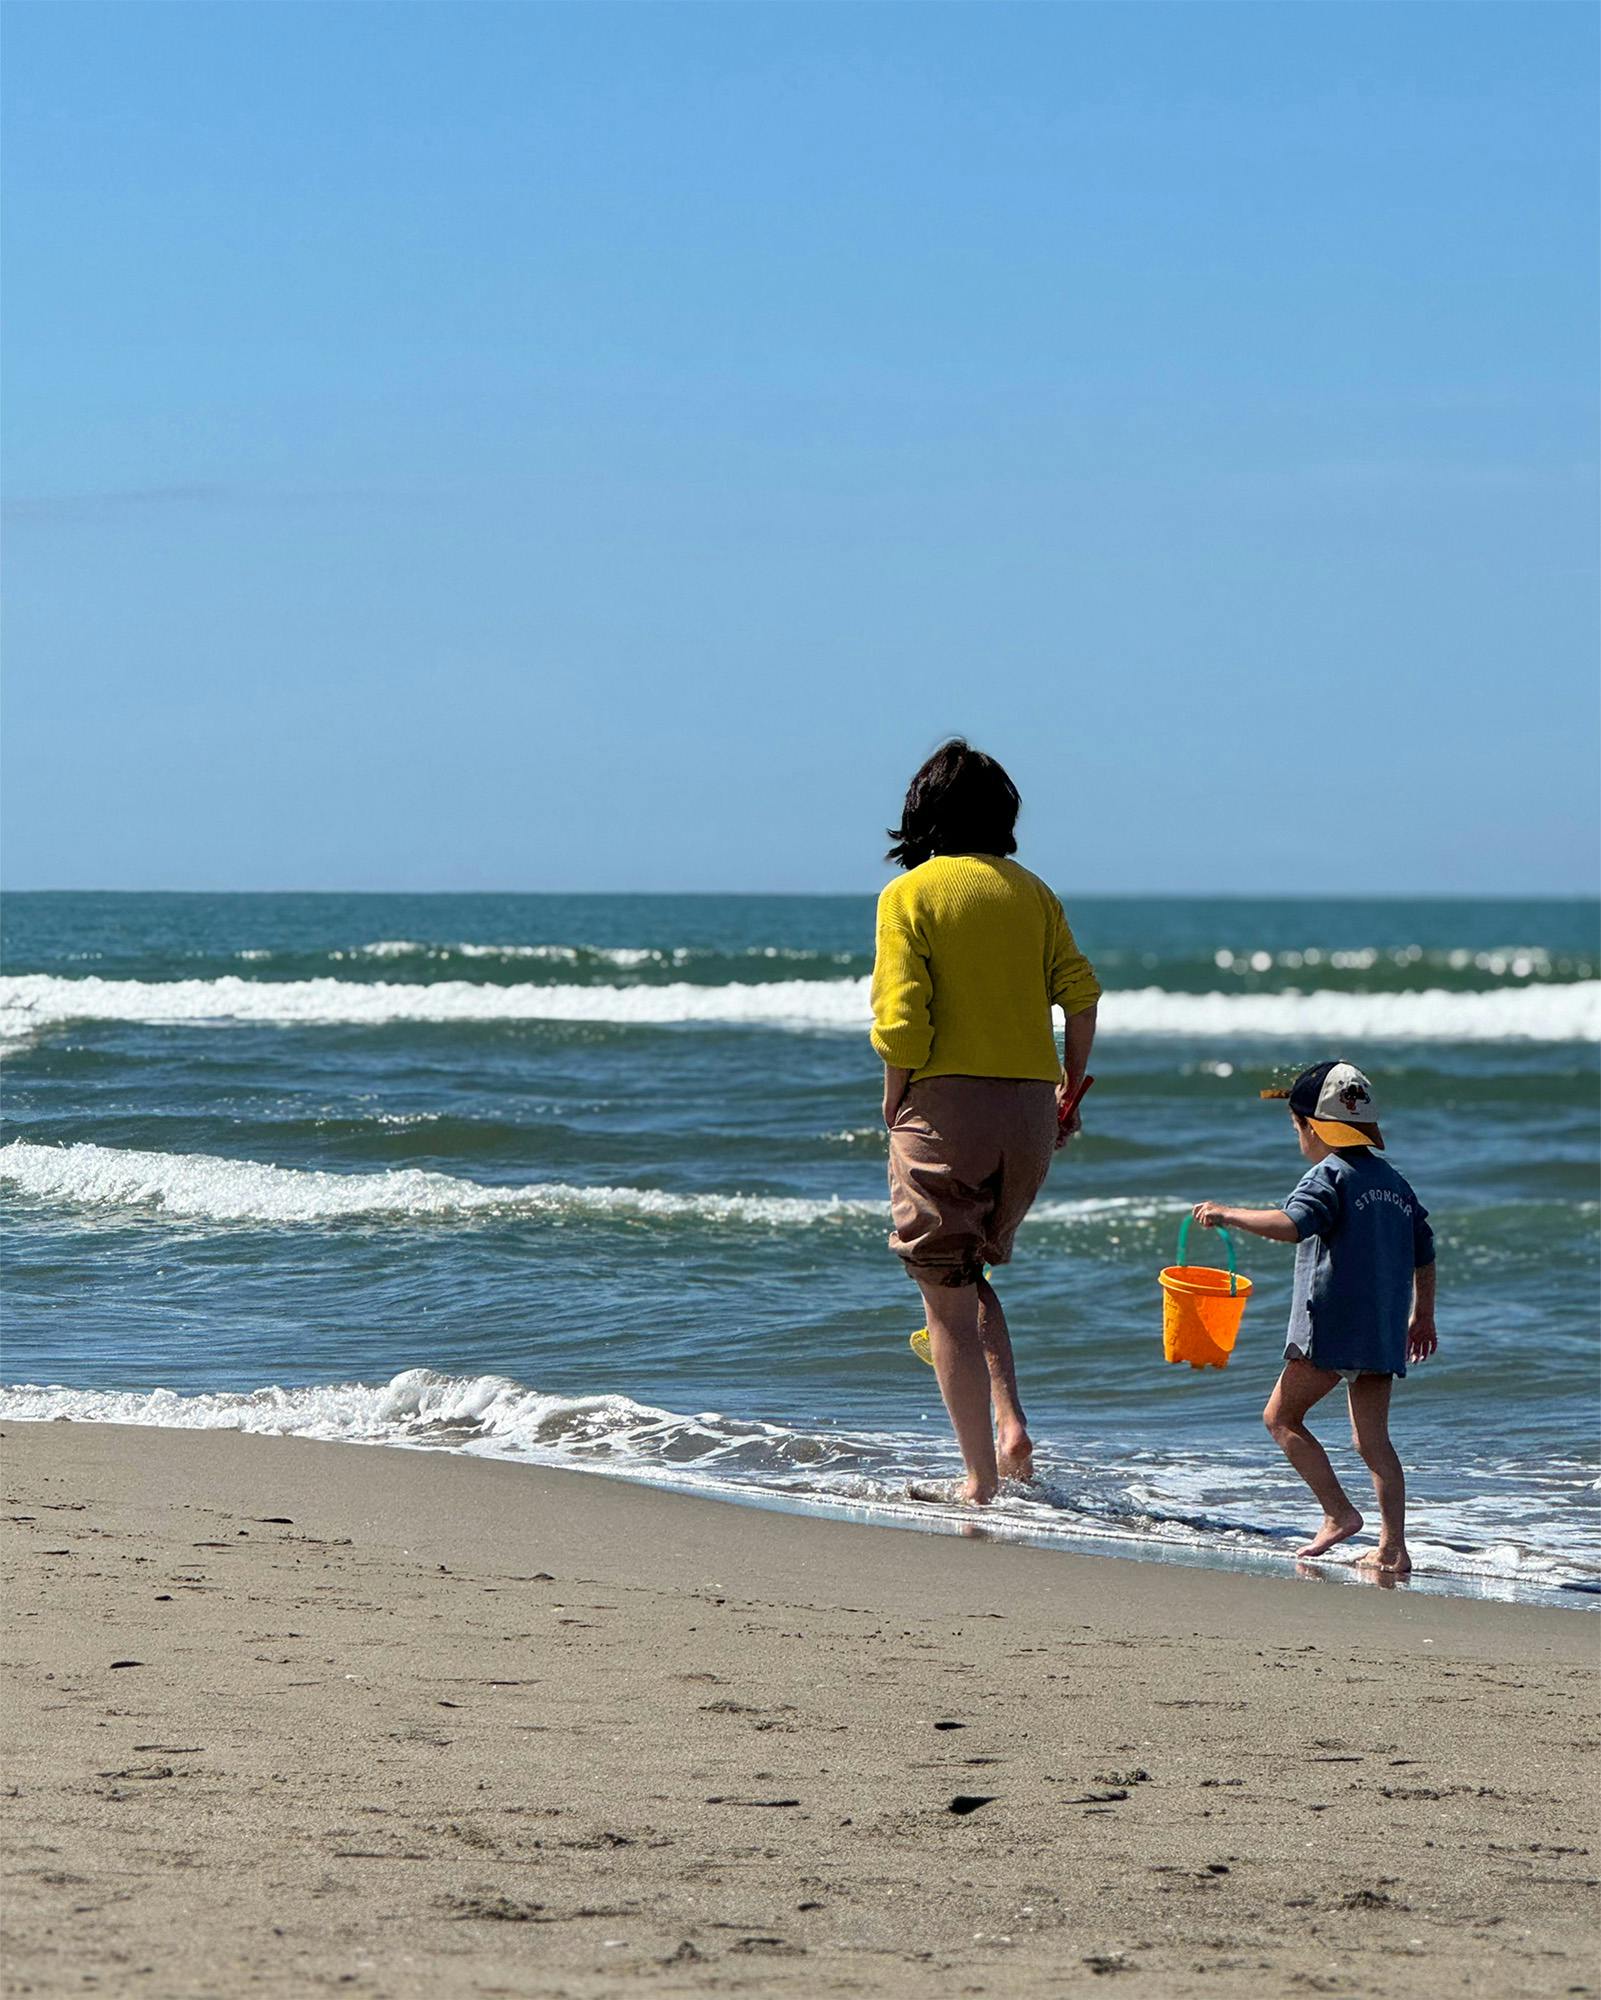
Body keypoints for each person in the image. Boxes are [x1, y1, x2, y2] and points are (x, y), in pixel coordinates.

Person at [871, 739, 1101, 1504]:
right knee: (966, 1272)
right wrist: (1066, 1090)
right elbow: (1079, 992)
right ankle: (1008, 1426)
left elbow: (902, 1020)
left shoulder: (910, 896)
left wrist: (893, 1096)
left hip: (945, 1106)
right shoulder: (1032, 892)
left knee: (941, 1289)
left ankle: (977, 1482)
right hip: (1029, 1115)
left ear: (921, 814)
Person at [1192, 1060, 1437, 1575]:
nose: (1297, 1137)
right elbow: (1424, 1251)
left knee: (1280, 1418)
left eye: (1295, 1126)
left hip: (1329, 1327)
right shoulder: (1395, 1184)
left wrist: (1228, 1214)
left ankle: (1338, 1513)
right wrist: (1423, 1317)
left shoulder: (1328, 1175)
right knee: (1373, 1442)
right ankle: (1393, 1548)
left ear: (1313, 1127)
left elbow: (1293, 1224)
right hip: (1382, 1332)